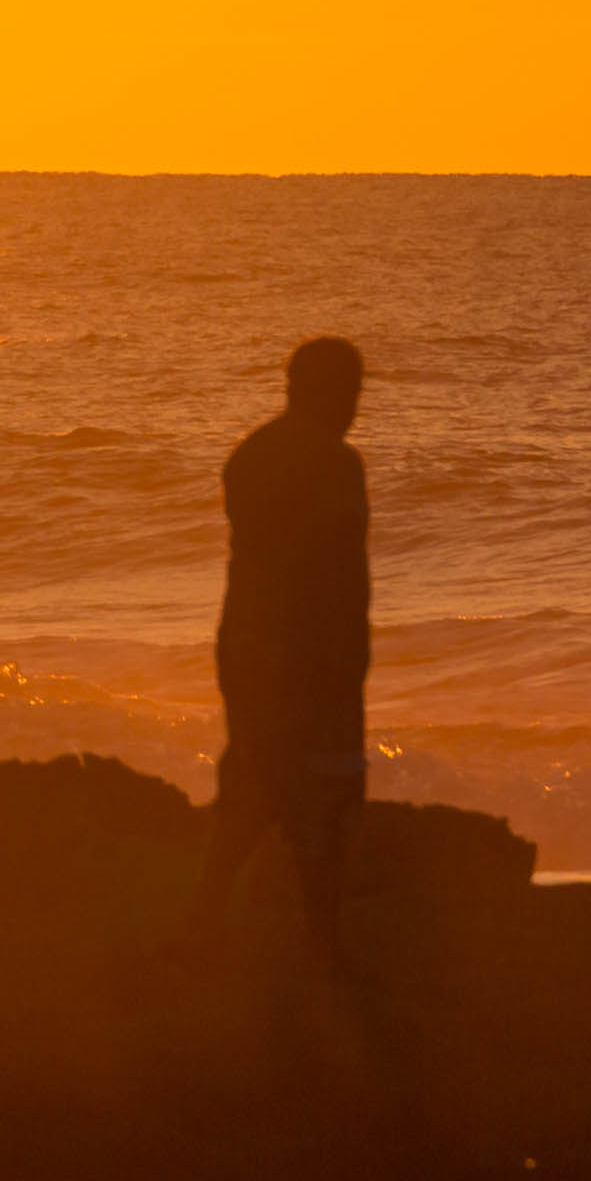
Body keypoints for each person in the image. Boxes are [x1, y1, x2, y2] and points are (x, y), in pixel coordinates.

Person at [201, 337, 372, 974]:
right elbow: (342, 575)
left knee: (254, 785)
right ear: (317, 392)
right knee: (323, 797)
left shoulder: (251, 457)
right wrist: (350, 660)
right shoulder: (337, 464)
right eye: (347, 394)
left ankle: (204, 923)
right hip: (311, 657)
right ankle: (320, 945)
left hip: (250, 647)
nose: (353, 408)